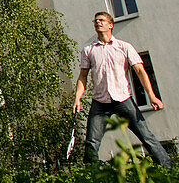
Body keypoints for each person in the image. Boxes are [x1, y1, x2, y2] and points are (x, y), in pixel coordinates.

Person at [73, 12, 172, 167]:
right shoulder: (88, 50)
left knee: (145, 135)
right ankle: (90, 175)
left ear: (110, 25)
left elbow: (140, 71)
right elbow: (83, 77)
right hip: (100, 102)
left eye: (102, 20)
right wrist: (77, 98)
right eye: (96, 20)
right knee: (91, 142)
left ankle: (167, 167)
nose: (98, 22)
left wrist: (151, 96)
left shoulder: (124, 47)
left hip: (123, 99)